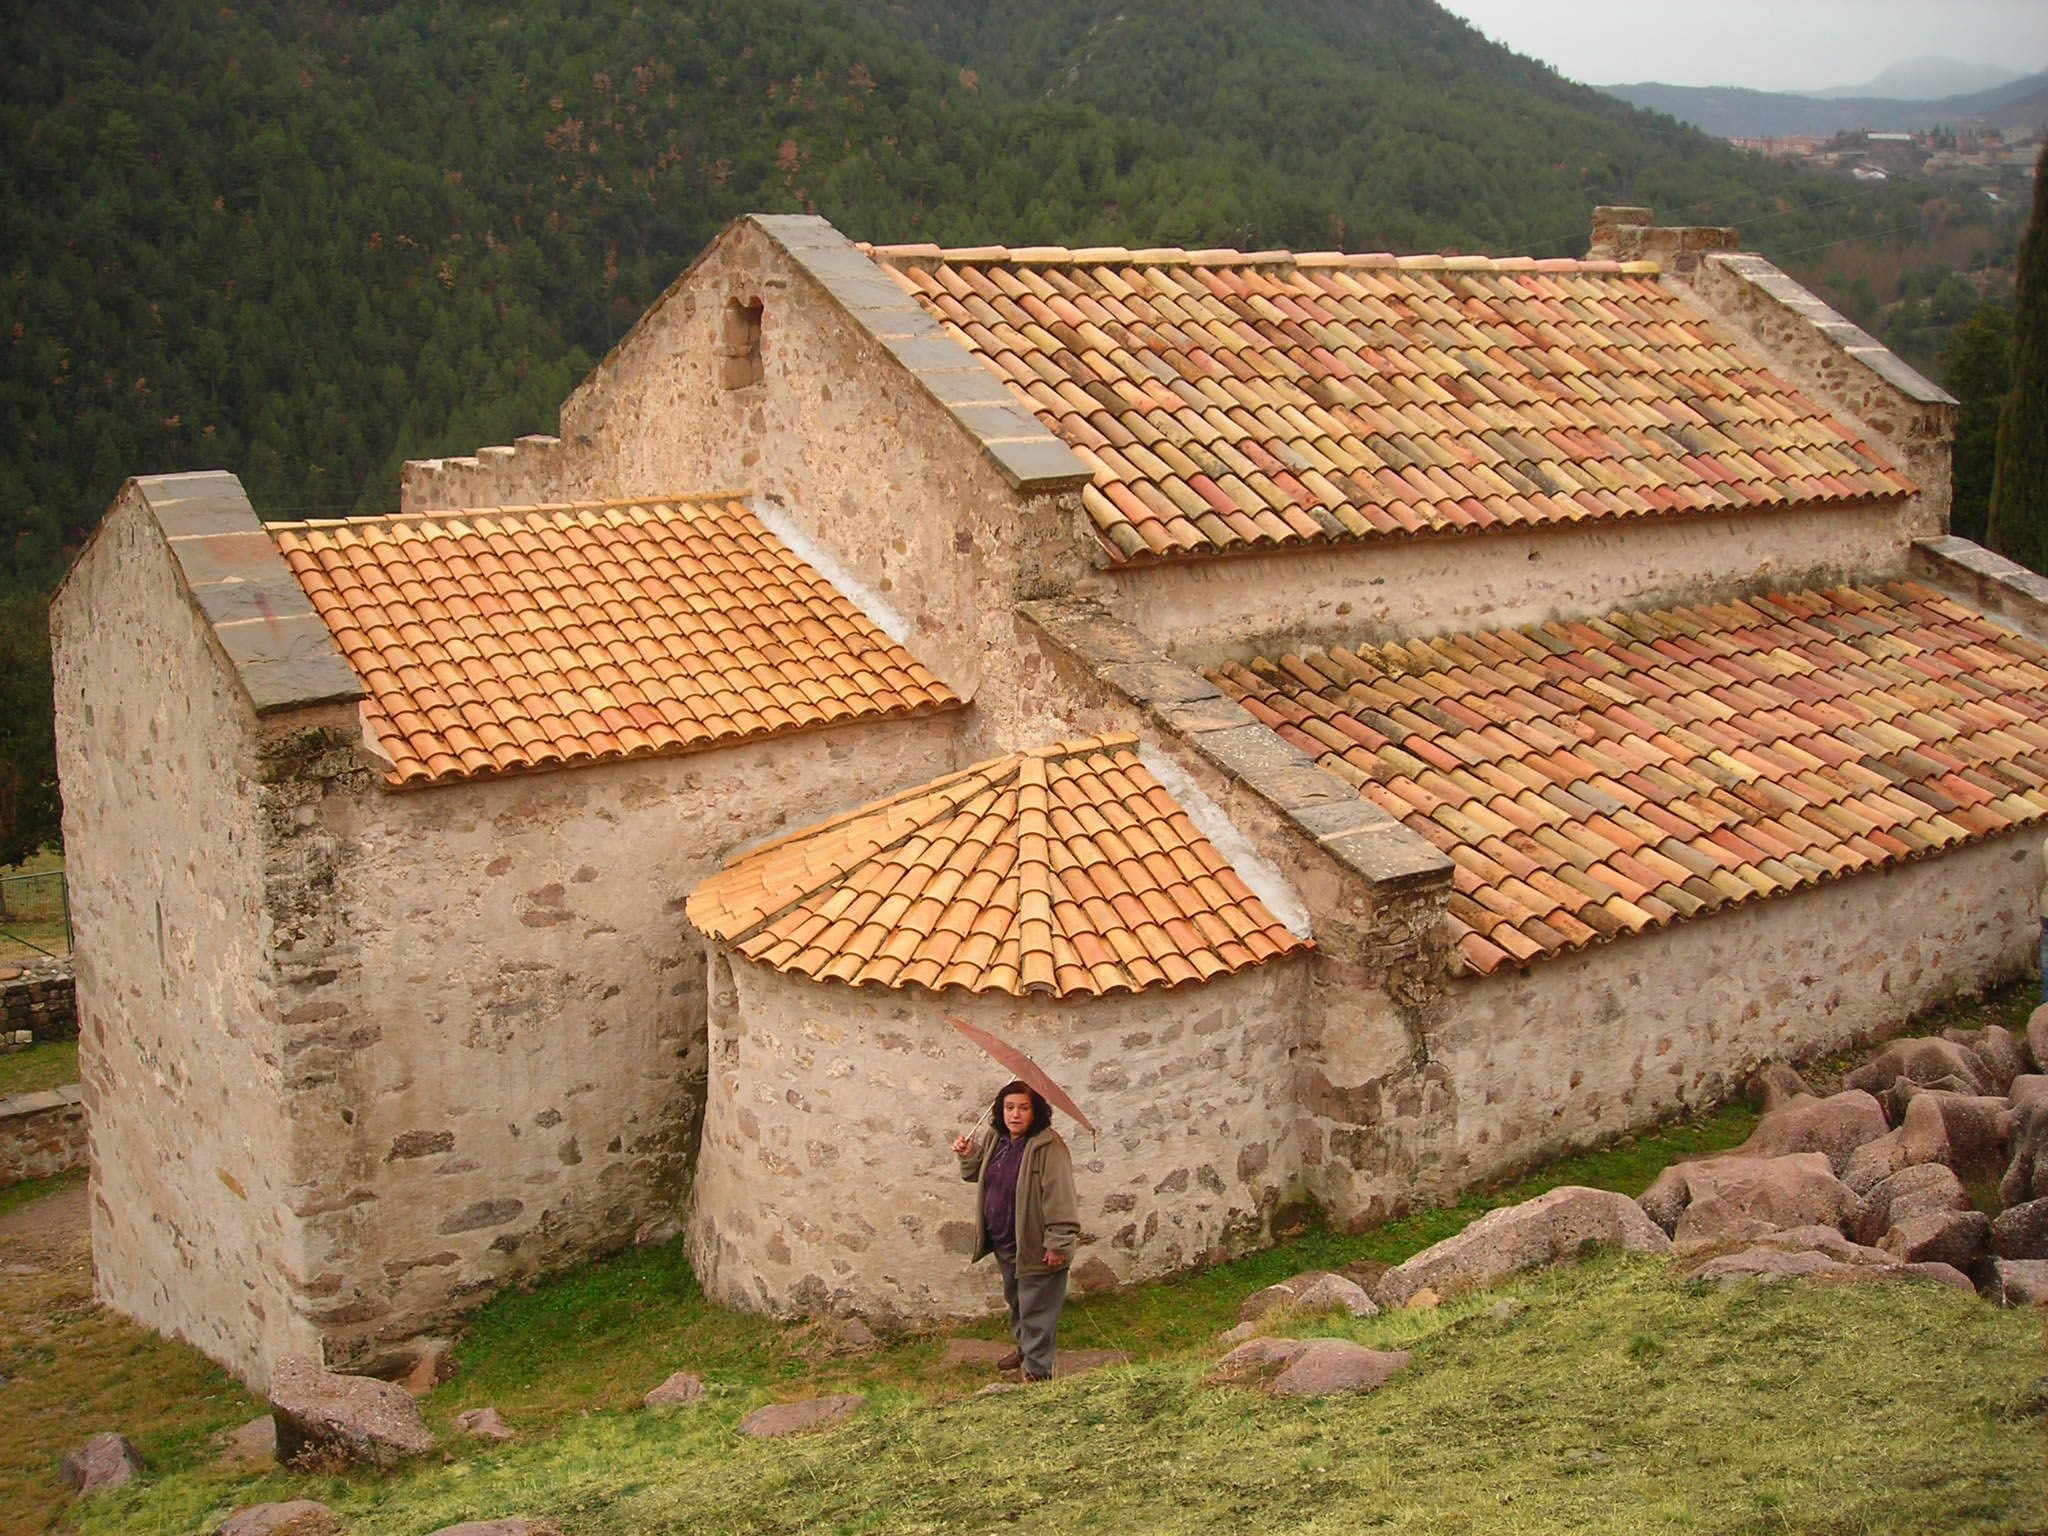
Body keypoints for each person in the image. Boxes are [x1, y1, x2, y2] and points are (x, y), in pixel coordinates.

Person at [951, 1079, 1079, 1382]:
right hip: (1005, 1241)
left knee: (1038, 1308)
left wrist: (1058, 1243)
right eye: (1009, 1107)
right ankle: (1026, 1349)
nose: (1015, 1115)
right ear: (1000, 1110)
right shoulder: (997, 1138)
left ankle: (1037, 1371)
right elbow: (979, 1174)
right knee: (1018, 1301)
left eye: (1023, 1108)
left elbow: (1060, 1196)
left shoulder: (1049, 1147)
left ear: (1036, 1112)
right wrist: (968, 1154)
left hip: (1036, 1245)